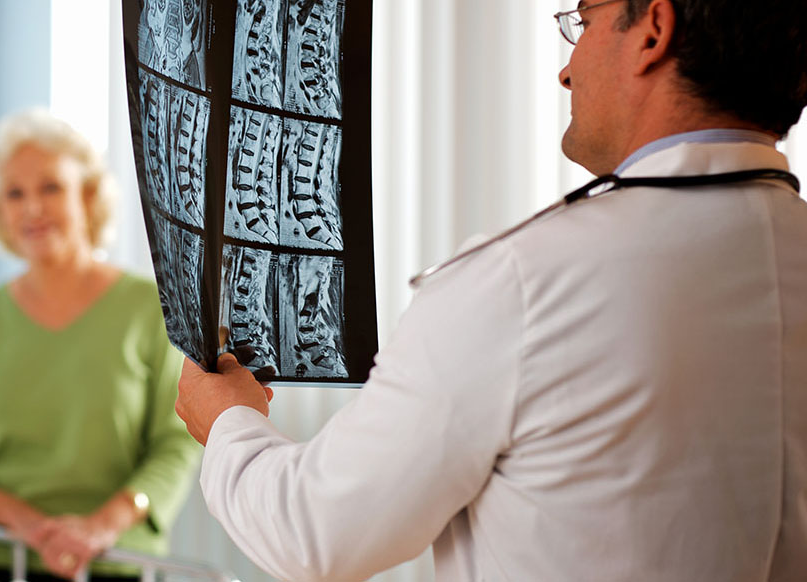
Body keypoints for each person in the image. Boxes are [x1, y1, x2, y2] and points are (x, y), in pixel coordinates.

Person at [176, 1, 807, 581]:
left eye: (582, 21)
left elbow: (316, 532)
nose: (566, 70)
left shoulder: (525, 279)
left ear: (653, 32)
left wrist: (228, 421)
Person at [0, 110, 201, 582]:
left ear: (87, 197)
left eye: (50, 187)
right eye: (15, 193)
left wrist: (97, 528)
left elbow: (175, 446)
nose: (32, 208)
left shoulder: (149, 308)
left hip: (114, 560)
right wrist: (31, 526)